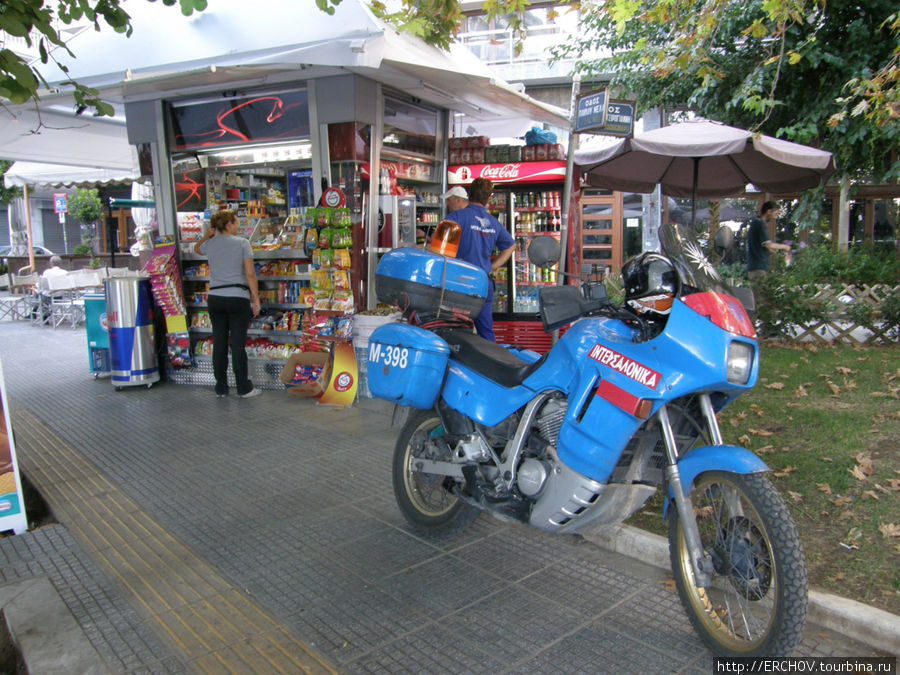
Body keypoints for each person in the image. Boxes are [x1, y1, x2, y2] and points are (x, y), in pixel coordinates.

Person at [194, 210, 262, 398]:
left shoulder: (210, 243)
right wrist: (255, 299)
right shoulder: (242, 243)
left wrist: (205, 236)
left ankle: (221, 387)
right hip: (237, 297)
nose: (238, 225)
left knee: (219, 342)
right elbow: (250, 273)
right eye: (236, 222)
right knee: (237, 344)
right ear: (229, 224)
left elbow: (196, 249)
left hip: (215, 298)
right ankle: (243, 388)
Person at [444, 177, 515, 342]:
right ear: (488, 198)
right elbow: (510, 246)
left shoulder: (456, 217)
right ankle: (490, 365)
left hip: (459, 281)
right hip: (484, 281)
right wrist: (492, 266)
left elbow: (439, 245)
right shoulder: (493, 223)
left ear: (469, 194)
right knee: (486, 332)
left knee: (456, 330)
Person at [747, 201, 790, 303]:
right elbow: (768, 245)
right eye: (775, 213)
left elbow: (769, 249)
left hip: (758, 267)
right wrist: (785, 247)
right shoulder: (759, 224)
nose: (776, 216)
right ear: (769, 211)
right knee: (760, 301)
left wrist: (780, 256)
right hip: (758, 267)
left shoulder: (756, 224)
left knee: (762, 299)